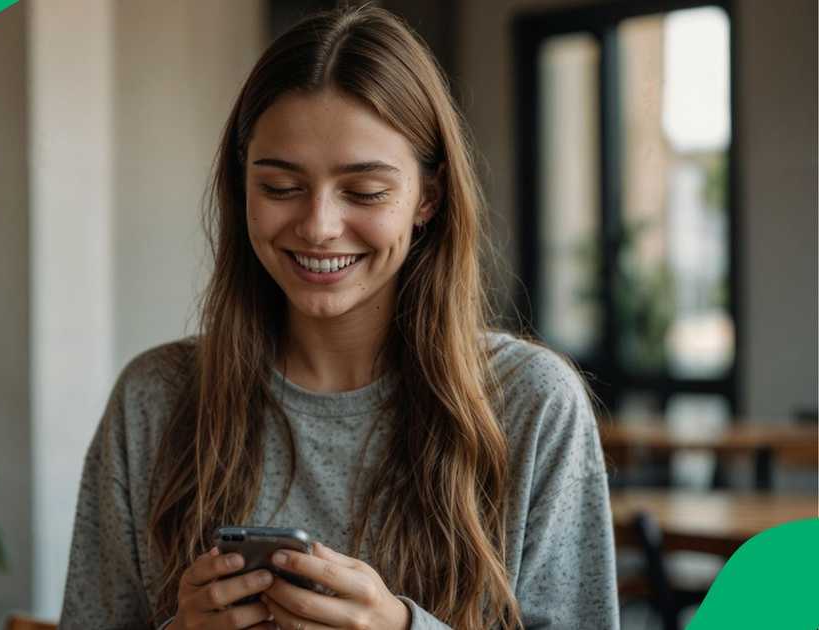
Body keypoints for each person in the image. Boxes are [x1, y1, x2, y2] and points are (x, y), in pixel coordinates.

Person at [58, 5, 618, 630]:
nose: (319, 226)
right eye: (280, 187)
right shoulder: (153, 402)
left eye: (365, 191)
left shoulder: (531, 404)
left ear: (427, 197)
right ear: (242, 187)